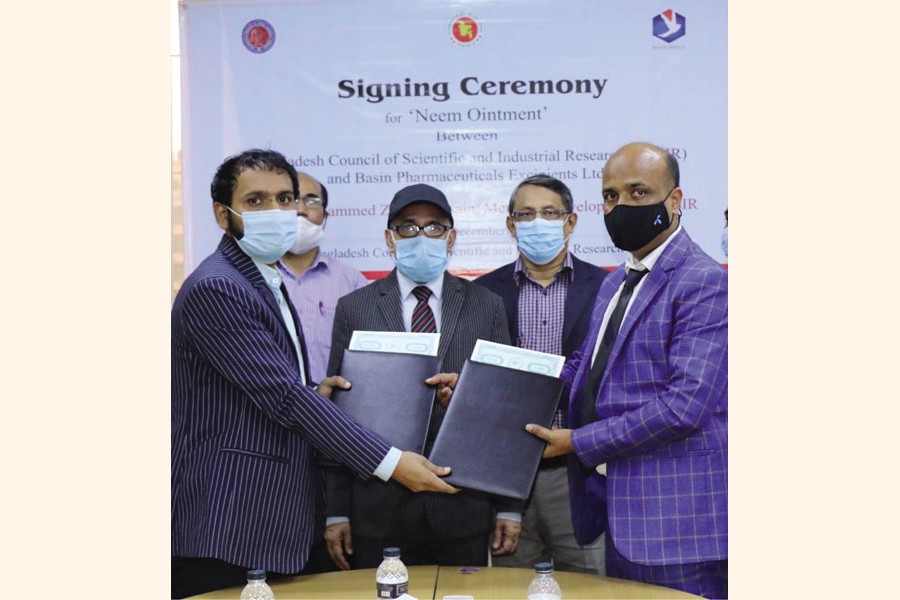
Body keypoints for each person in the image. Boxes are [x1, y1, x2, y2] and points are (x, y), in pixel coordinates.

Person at [171, 150, 458, 599]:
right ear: (222, 214)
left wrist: (315, 390)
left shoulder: (263, 279)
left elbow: (271, 386)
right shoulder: (219, 286)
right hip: (227, 516)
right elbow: (283, 397)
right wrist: (390, 462)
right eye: (256, 200)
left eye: (285, 199)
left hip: (269, 515)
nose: (276, 211)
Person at [526, 142, 728, 599]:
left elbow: (683, 408)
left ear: (674, 200)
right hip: (621, 517)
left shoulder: (703, 280)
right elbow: (582, 370)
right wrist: (486, 386)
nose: (621, 207)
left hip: (681, 528)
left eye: (639, 192)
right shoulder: (616, 280)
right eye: (611, 196)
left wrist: (578, 442)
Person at [322, 183, 522, 570]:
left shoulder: (486, 305)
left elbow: (506, 409)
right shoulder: (355, 308)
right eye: (408, 227)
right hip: (377, 507)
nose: (421, 236)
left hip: (463, 505)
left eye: (434, 227)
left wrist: (510, 507)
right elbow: (336, 416)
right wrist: (336, 511)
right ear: (389, 239)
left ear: (451, 238)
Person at [475, 174, 608, 574]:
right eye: (526, 214)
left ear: (571, 221)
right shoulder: (483, 293)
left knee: (592, 590)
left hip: (580, 473)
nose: (538, 222)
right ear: (511, 225)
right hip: (506, 477)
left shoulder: (607, 288)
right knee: (510, 591)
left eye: (550, 213)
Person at [278, 172, 369, 383]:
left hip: (333, 402)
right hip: (268, 401)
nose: (300, 210)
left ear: (325, 217)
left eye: (311, 201)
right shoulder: (252, 277)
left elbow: (368, 358)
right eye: (289, 200)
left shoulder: (351, 282)